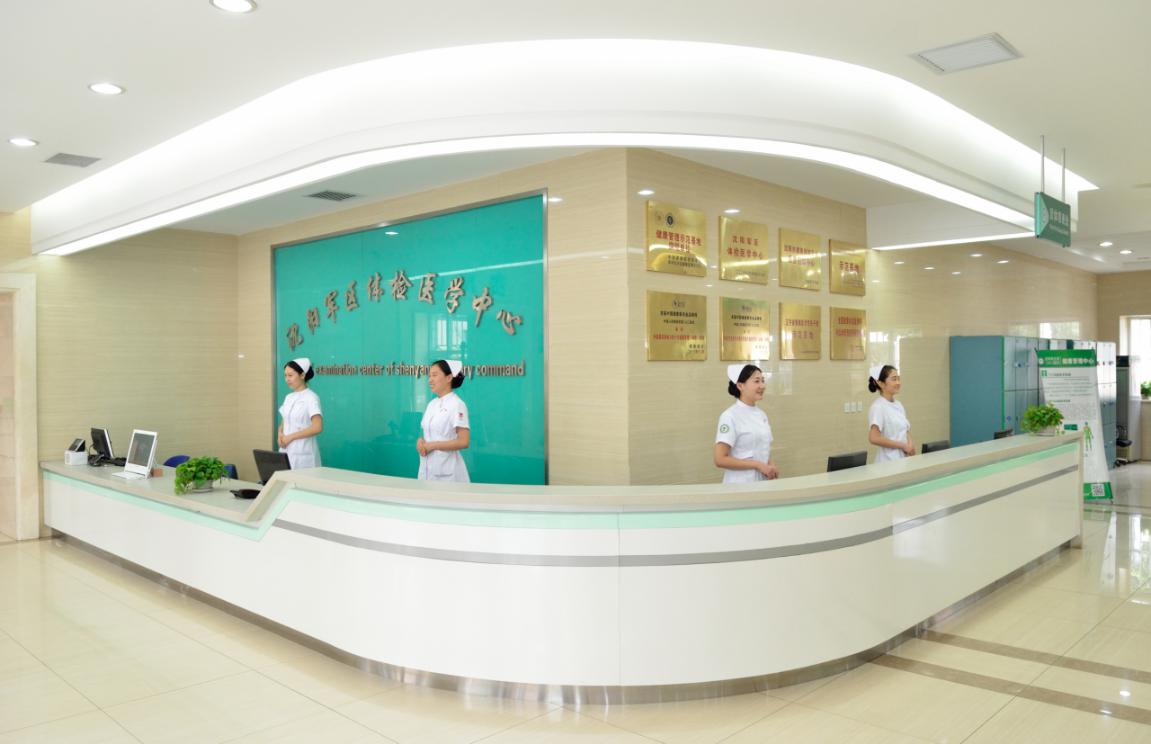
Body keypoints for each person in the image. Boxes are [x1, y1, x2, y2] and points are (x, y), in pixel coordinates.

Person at [714, 363, 778, 483]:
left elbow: (762, 449)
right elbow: (720, 459)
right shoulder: (729, 416)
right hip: (740, 484)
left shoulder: (762, 415)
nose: (762, 386)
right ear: (740, 385)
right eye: (756, 381)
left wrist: (770, 465)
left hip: (762, 482)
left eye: (763, 380)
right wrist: (757, 465)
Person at [417, 359, 471, 482]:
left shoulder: (457, 404)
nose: (430, 380)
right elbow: (427, 433)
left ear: (449, 378)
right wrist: (420, 441)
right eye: (429, 376)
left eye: (434, 375)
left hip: (448, 473)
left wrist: (433, 445)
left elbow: (464, 441)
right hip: (426, 469)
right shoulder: (431, 404)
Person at [278, 357, 323, 468]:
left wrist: (291, 437)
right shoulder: (288, 397)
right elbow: (285, 421)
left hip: (304, 454)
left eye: (290, 375)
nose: (287, 379)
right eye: (285, 375)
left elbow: (317, 427)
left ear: (302, 375)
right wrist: (280, 434)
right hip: (286, 451)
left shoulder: (311, 398)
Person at [867, 363, 913, 462]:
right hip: (887, 461)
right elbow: (874, 438)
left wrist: (910, 446)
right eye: (894, 379)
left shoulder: (898, 405)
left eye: (898, 378)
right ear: (881, 383)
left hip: (903, 458)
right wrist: (903, 446)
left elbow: (905, 430)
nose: (898, 382)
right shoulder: (878, 407)